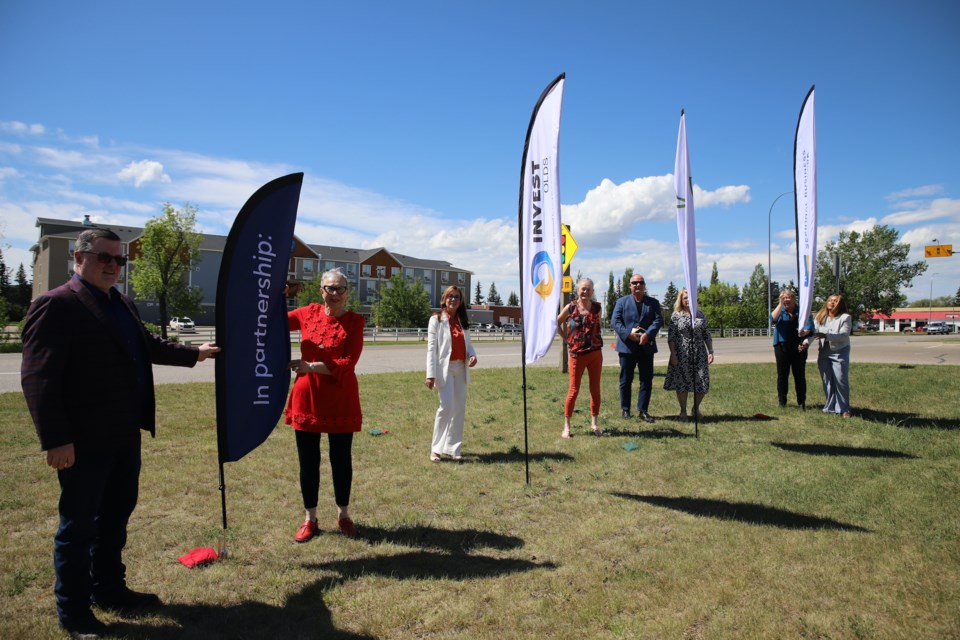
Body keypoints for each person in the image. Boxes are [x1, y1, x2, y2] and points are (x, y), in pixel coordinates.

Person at [20, 228, 219, 638]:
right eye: (104, 258)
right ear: (78, 257)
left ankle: (109, 590)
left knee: (114, 520)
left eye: (119, 259)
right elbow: (39, 379)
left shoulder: (120, 302)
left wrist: (195, 354)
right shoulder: (55, 305)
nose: (113, 265)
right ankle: (73, 613)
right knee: (78, 529)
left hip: (124, 435)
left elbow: (146, 345)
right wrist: (56, 439)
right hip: (82, 442)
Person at [286, 268, 364, 542]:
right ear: (321, 290)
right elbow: (273, 322)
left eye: (340, 288)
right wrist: (274, 295)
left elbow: (347, 363)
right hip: (307, 397)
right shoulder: (307, 313)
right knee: (308, 462)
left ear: (347, 292)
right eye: (329, 288)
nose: (334, 293)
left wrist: (311, 366)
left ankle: (343, 515)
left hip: (340, 398)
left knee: (341, 460)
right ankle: (310, 519)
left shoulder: (355, 322)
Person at [425, 285, 478, 462]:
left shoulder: (463, 320)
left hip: (461, 369)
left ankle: (453, 447)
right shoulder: (437, 320)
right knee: (446, 406)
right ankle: (436, 449)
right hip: (444, 369)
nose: (453, 299)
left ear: (460, 301)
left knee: (459, 408)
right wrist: (430, 374)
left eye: (456, 297)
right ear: (444, 299)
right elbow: (432, 349)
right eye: (450, 296)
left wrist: (472, 355)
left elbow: (468, 344)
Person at [612, 273, 663, 423]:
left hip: (646, 347)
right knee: (626, 380)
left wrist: (648, 334)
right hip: (627, 347)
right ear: (630, 286)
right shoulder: (621, 302)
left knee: (646, 380)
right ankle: (625, 409)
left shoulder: (653, 302)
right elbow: (615, 321)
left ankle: (643, 411)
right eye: (634, 283)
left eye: (640, 282)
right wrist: (628, 335)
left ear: (644, 285)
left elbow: (658, 319)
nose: (638, 285)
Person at [557, 277, 603, 437]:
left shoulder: (597, 308)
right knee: (573, 390)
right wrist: (566, 340)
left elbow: (598, 326)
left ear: (592, 291)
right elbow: (556, 322)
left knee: (595, 389)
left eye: (588, 289)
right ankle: (567, 426)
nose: (585, 291)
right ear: (577, 290)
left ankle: (595, 424)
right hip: (577, 354)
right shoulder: (570, 308)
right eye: (583, 289)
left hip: (595, 354)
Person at [663, 289, 714, 420]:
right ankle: (683, 411)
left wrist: (711, 351)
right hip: (681, 353)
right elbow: (671, 337)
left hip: (700, 353)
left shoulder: (700, 314)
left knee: (702, 382)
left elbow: (706, 334)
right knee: (682, 383)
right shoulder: (676, 315)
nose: (687, 300)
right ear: (681, 300)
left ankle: (696, 409)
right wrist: (673, 354)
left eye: (689, 298)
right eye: (685, 298)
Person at [770, 289, 815, 409]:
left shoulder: (802, 311)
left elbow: (810, 327)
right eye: (783, 298)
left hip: (799, 346)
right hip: (781, 347)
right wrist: (780, 304)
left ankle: (801, 402)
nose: (786, 300)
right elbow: (772, 319)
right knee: (782, 375)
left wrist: (805, 331)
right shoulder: (781, 311)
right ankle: (782, 402)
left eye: (788, 297)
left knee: (799, 374)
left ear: (794, 299)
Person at [813, 293, 853, 417]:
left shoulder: (845, 317)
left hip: (839, 351)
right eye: (830, 300)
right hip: (824, 351)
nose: (832, 302)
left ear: (840, 304)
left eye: (835, 301)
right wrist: (804, 342)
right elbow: (814, 333)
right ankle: (830, 407)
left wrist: (826, 335)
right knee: (827, 381)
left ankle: (844, 408)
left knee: (840, 380)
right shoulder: (820, 316)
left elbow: (844, 335)